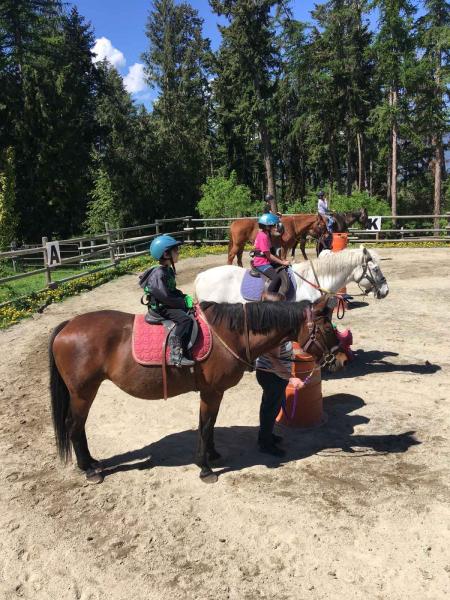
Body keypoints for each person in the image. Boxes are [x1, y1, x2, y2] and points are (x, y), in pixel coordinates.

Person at [140, 234, 195, 367]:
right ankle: (175, 354)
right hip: (162, 308)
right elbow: (165, 296)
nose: (178, 252)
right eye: (175, 250)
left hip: (167, 303)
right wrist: (182, 303)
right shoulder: (159, 274)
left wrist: (184, 296)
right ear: (166, 254)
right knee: (185, 319)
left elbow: (172, 291)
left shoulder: (167, 270)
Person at [256, 339, 304, 457]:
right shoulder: (277, 334)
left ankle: (265, 435)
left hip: (274, 375)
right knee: (271, 409)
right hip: (271, 375)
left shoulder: (283, 332)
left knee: (270, 407)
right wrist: (292, 378)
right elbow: (274, 362)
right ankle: (265, 445)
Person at [252, 213, 290, 294]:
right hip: (261, 263)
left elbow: (272, 252)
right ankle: (268, 298)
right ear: (267, 227)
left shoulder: (267, 235)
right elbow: (269, 255)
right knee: (276, 278)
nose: (276, 228)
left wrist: (282, 260)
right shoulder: (263, 236)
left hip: (266, 261)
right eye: (274, 226)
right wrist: (282, 262)